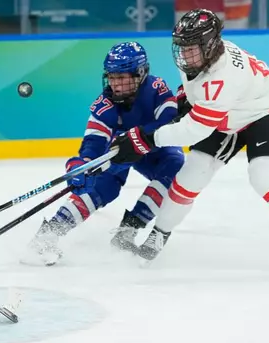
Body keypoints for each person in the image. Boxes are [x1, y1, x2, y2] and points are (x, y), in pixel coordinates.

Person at [109, 9, 269, 275]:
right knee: (190, 176)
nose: (184, 54)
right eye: (181, 47)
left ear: (210, 44)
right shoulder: (201, 58)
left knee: (263, 175)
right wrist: (183, 101)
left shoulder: (223, 77)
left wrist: (145, 140)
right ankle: (158, 236)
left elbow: (193, 130)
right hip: (229, 116)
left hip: (268, 113)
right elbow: (196, 93)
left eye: (191, 48)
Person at [27, 41, 185, 266]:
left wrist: (140, 136)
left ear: (140, 73)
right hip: (120, 150)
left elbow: (168, 121)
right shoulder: (105, 105)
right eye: (112, 77)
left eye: (122, 78)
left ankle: (128, 231)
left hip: (154, 147)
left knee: (176, 166)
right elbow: (93, 142)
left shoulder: (156, 88)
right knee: (102, 186)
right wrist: (82, 165)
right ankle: (48, 234)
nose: (116, 85)